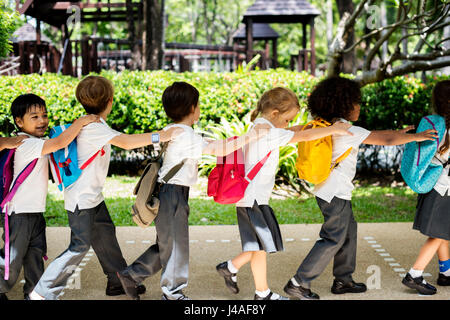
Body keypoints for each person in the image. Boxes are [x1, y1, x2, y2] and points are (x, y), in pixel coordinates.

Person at [283, 77, 438, 300]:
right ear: (345, 105)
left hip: (330, 191)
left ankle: (343, 280)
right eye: (357, 102)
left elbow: (378, 135)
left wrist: (401, 134)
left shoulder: (327, 125)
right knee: (333, 237)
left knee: (348, 232)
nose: (359, 106)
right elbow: (384, 139)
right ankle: (299, 282)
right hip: (334, 193)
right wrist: (415, 137)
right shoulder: (346, 130)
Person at [28, 76, 182, 300]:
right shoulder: (94, 128)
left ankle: (117, 281)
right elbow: (127, 142)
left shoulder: (95, 125)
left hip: (91, 197)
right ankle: (41, 293)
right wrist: (162, 135)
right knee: (78, 246)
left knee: (105, 234)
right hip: (82, 199)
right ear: (110, 101)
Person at [116, 81, 271, 300]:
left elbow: (213, 142)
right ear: (192, 108)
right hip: (173, 195)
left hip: (168, 193)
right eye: (198, 105)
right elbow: (218, 148)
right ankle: (172, 292)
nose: (199, 108)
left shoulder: (177, 131)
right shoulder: (185, 135)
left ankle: (131, 276)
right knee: (176, 245)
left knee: (167, 244)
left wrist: (241, 139)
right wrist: (252, 136)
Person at [215, 87, 354, 300]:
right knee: (261, 246)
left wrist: (316, 126)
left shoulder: (262, 126)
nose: (288, 124)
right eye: (287, 119)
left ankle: (232, 268)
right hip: (253, 200)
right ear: (275, 114)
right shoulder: (269, 133)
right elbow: (304, 136)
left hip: (253, 199)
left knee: (259, 246)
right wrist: (334, 130)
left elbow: (299, 131)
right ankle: (260, 291)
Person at [0, 94, 99, 300]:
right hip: (19, 213)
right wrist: (80, 122)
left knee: (35, 255)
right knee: (12, 259)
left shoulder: (36, 141)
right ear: (19, 122)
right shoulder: (26, 143)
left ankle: (33, 293)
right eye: (34, 117)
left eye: (44, 115)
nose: (42, 121)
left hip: (35, 212)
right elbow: (60, 142)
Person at [402, 80, 450, 295]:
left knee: (442, 232)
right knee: (439, 234)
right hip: (444, 188)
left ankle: (446, 273)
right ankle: (415, 274)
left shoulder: (431, 122)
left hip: (431, 183)